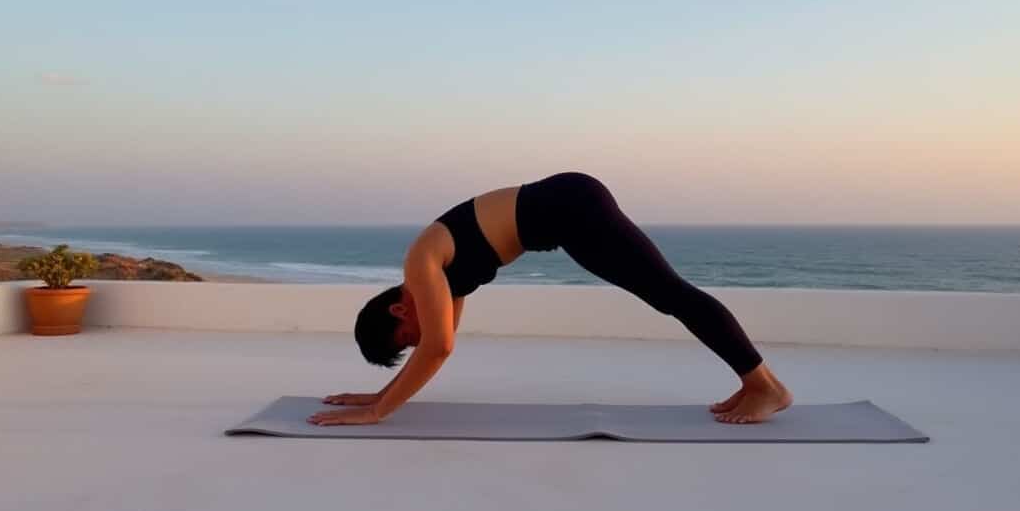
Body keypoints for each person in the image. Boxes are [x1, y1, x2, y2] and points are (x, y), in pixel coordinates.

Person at [310, 172, 791, 427]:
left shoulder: (420, 266)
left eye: (405, 337)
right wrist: (382, 394)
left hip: (571, 208)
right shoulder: (438, 278)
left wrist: (378, 412)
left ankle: (766, 386)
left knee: (672, 295)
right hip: (569, 208)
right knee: (670, 296)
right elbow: (440, 343)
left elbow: (438, 346)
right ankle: (758, 384)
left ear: (398, 309)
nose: (417, 342)